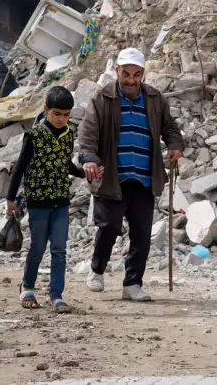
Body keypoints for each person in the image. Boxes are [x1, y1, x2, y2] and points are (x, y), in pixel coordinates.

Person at [77, 48, 184, 302]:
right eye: (126, 74)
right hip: (113, 176)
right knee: (109, 226)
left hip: (144, 177)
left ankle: (132, 283)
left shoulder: (155, 99)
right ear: (117, 72)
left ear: (142, 74)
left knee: (141, 233)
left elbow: (171, 128)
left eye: (136, 75)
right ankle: (97, 269)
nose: (130, 80)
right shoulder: (102, 100)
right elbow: (87, 135)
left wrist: (175, 146)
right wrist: (89, 158)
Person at [6, 86, 94, 313]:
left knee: (59, 249)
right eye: (57, 114)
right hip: (38, 202)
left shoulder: (67, 135)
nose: (61, 119)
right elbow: (19, 168)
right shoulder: (34, 136)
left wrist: (83, 173)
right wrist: (10, 198)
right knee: (37, 247)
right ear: (46, 110)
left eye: (66, 115)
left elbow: (66, 164)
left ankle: (56, 295)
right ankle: (27, 287)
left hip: (61, 201)